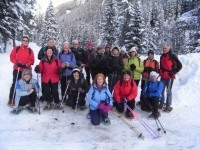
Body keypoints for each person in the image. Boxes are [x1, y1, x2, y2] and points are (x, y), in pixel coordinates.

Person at [8, 36, 35, 106]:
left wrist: (27, 65)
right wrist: (16, 62)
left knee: (27, 84)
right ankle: (11, 98)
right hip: (18, 69)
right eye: (24, 40)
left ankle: (27, 98)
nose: (25, 41)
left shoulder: (30, 50)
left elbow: (32, 60)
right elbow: (12, 56)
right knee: (15, 83)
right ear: (22, 41)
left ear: (28, 42)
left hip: (26, 70)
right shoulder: (17, 48)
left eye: (26, 40)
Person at [159, 44, 182, 112]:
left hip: (169, 77)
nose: (164, 49)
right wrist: (160, 72)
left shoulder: (172, 56)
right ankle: (161, 103)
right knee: (161, 90)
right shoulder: (162, 56)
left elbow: (180, 65)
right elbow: (161, 66)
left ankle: (168, 106)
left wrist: (174, 72)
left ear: (168, 48)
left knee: (168, 91)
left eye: (165, 48)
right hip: (163, 76)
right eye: (163, 48)